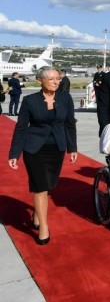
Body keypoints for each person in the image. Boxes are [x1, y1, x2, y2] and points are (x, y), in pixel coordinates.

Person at [8, 66, 78, 245]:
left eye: (58, 79)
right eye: (52, 79)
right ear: (40, 81)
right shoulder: (30, 100)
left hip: (57, 149)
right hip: (34, 149)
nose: (56, 82)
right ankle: (44, 228)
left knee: (49, 185)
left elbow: (70, 124)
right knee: (40, 186)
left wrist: (72, 148)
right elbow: (22, 126)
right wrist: (14, 153)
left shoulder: (65, 98)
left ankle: (37, 214)